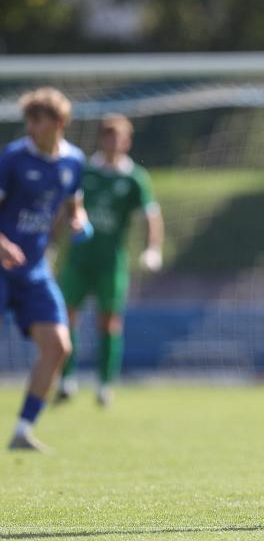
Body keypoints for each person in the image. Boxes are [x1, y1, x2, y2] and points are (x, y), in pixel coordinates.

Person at [1, 87, 91, 452]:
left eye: (37, 121)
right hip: (1, 267)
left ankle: (23, 430)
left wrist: (78, 219)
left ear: (59, 123)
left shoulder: (74, 162)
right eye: (29, 120)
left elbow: (74, 203)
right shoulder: (12, 159)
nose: (31, 128)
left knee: (58, 346)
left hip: (35, 270)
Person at [56, 113, 164, 407]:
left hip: (111, 262)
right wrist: (53, 242)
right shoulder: (84, 170)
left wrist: (152, 248)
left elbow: (151, 215)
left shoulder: (134, 178)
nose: (112, 141)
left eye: (118, 136)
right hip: (79, 258)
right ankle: (66, 380)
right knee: (66, 319)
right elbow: (63, 208)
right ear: (101, 139)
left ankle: (105, 386)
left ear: (127, 141)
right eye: (107, 135)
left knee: (108, 323)